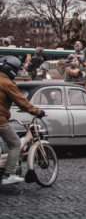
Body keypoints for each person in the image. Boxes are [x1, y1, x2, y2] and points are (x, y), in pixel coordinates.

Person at [0, 56, 45, 185]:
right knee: (15, 144)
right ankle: (9, 174)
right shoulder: (7, 83)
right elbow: (22, 103)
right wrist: (37, 112)